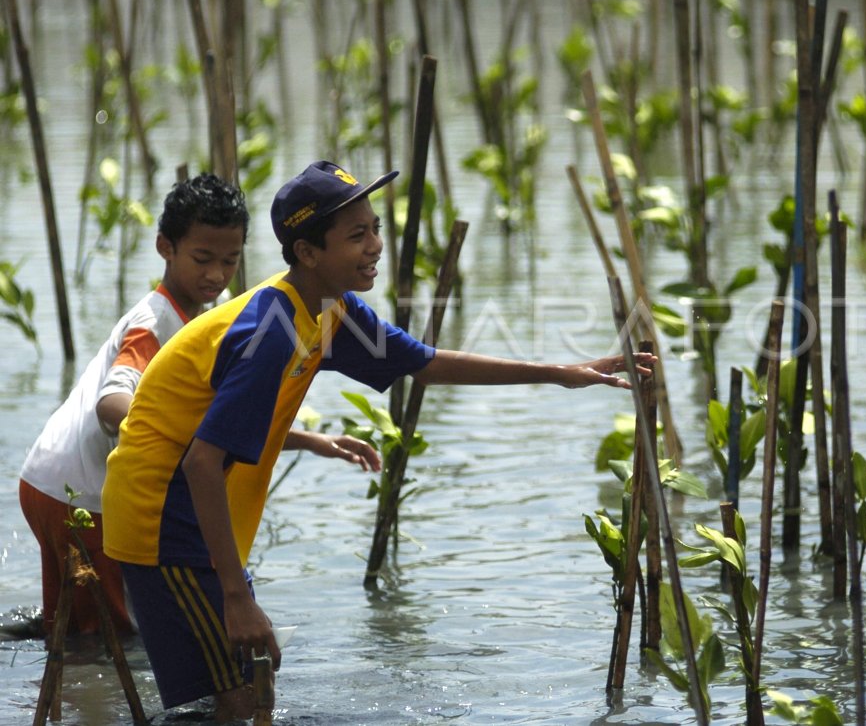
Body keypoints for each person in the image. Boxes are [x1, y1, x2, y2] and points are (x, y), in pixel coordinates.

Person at [101, 160, 653, 720]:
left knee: (241, 695)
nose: (375, 246)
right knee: (236, 700)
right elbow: (201, 462)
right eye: (356, 235)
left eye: (376, 228)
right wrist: (237, 595)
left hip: (197, 519)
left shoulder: (329, 309)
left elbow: (426, 364)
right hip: (162, 522)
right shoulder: (272, 330)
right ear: (307, 253)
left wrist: (561, 371)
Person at [18, 173, 248, 637]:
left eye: (230, 260)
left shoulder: (191, 316)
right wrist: (189, 437)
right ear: (165, 247)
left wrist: (310, 440)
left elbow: (217, 416)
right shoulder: (155, 322)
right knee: (107, 639)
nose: (216, 276)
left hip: (50, 480)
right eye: (202, 259)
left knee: (69, 627)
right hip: (80, 497)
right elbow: (111, 403)